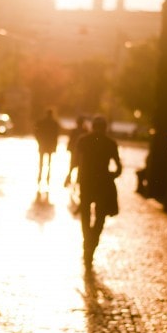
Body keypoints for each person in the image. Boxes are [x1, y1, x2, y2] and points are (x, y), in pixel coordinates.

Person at [75, 115, 122, 269]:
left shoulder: (83, 140)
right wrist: (111, 176)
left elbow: (77, 162)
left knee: (85, 216)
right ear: (105, 127)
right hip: (102, 184)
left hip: (86, 182)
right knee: (100, 217)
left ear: (93, 126)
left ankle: (86, 242)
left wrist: (74, 178)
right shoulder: (110, 143)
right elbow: (118, 167)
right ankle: (92, 243)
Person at [34, 108, 60, 187]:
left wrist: (39, 141)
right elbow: (56, 136)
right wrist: (55, 146)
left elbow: (36, 132)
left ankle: (40, 177)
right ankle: (47, 177)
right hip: (49, 145)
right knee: (49, 162)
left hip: (43, 144)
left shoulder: (41, 122)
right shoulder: (54, 123)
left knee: (41, 162)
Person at [64, 115, 89, 187]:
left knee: (72, 166)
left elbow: (70, 141)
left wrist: (69, 149)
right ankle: (76, 180)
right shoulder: (84, 131)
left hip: (75, 151)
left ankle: (70, 180)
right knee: (79, 167)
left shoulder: (76, 131)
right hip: (80, 152)